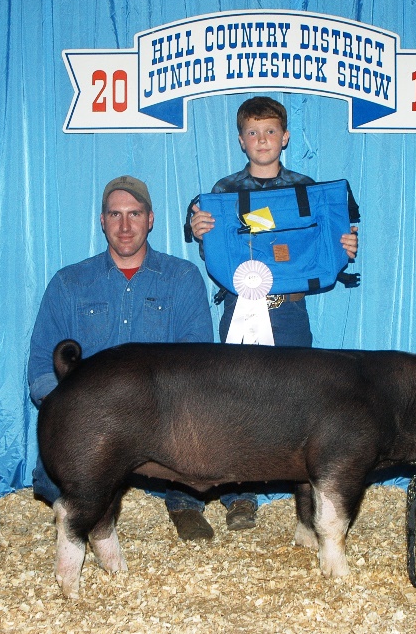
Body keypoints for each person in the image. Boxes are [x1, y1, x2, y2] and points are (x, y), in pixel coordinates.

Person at [188, 96, 360, 526]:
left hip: (290, 312)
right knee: (238, 401)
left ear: (284, 138)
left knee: (301, 403)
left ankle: (305, 496)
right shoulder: (223, 192)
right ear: (241, 140)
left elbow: (330, 235)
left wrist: (345, 246)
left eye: (269, 131)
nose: (261, 139)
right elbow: (205, 234)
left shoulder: (308, 189)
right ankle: (238, 497)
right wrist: (196, 228)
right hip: (240, 307)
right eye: (252, 132)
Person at [27, 175, 221, 542]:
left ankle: (183, 502)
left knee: (203, 434)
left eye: (135, 214)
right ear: (102, 221)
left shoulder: (182, 278)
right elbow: (40, 363)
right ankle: (84, 508)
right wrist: (68, 414)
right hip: (92, 422)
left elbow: (196, 366)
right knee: (59, 485)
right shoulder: (70, 283)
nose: (125, 225)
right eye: (115, 215)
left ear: (150, 219)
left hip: (161, 424)